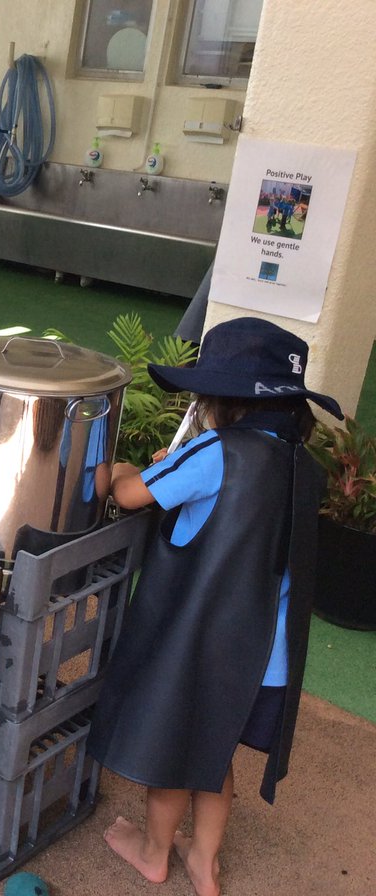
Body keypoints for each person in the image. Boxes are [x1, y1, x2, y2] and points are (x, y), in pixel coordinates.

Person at [86, 317, 343, 896]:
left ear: (221, 403)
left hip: (201, 641)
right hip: (265, 654)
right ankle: (204, 860)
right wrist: (170, 469)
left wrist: (126, 469)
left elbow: (128, 494)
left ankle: (153, 853)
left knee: (177, 752)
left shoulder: (214, 451)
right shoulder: (305, 467)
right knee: (213, 749)